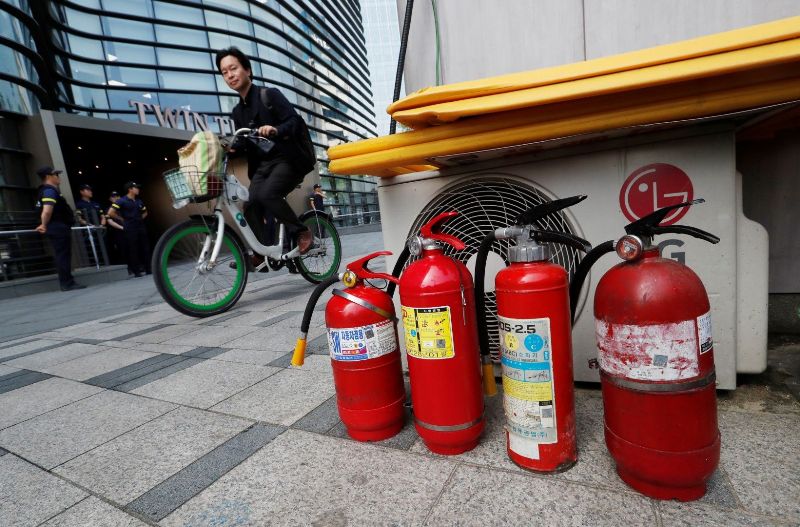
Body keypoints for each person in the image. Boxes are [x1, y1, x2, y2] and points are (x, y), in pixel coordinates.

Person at [215, 46, 313, 263]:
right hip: (263, 166)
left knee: (268, 194)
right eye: (224, 72)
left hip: (287, 159)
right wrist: (230, 148)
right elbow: (244, 144)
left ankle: (301, 231)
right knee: (250, 205)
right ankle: (264, 250)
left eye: (233, 68)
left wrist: (275, 129)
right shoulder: (237, 112)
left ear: (247, 70)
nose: (230, 75)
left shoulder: (269, 95)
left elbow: (294, 122)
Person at [34, 166, 86, 291]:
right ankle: (67, 283)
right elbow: (47, 211)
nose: (58, 176)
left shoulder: (48, 190)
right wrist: (43, 225)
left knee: (62, 255)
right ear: (48, 176)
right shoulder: (49, 191)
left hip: (57, 227)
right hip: (57, 227)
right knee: (63, 255)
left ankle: (67, 282)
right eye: (56, 174)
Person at [108, 181, 149, 277]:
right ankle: (137, 271)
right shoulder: (121, 200)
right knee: (133, 249)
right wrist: (122, 219)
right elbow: (111, 212)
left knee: (145, 247)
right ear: (130, 189)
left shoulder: (139, 201)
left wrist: (138, 219)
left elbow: (145, 212)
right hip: (130, 227)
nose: (138, 189)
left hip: (140, 226)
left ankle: (149, 269)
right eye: (136, 187)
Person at [75, 184, 107, 266]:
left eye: (90, 190)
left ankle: (105, 264)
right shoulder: (79, 204)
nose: (90, 191)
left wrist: (101, 225)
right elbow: (79, 218)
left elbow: (103, 216)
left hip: (100, 230)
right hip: (89, 231)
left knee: (104, 249)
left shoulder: (95, 204)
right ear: (81, 192)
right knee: (92, 250)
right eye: (87, 190)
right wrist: (90, 225)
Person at [105, 191, 126, 265]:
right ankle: (127, 268)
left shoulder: (124, 207)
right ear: (110, 199)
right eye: (113, 197)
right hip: (118, 233)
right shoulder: (108, 209)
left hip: (129, 231)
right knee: (122, 250)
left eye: (117, 196)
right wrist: (122, 228)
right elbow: (110, 222)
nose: (116, 198)